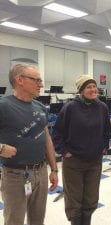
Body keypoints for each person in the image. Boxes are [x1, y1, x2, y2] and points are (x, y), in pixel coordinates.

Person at [0, 63, 58, 225]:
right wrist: (1, 148)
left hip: (40, 172)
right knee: (14, 220)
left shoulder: (40, 107)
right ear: (20, 80)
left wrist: (53, 169)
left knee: (38, 220)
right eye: (37, 80)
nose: (42, 84)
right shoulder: (3, 105)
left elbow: (47, 139)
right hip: (15, 175)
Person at [52, 75, 111, 225]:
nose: (93, 89)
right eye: (88, 87)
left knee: (91, 200)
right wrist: (64, 152)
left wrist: (104, 146)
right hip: (74, 162)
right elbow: (57, 133)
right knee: (74, 201)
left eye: (94, 86)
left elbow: (106, 131)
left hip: (94, 162)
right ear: (81, 90)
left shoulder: (102, 107)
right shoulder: (70, 107)